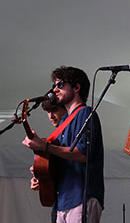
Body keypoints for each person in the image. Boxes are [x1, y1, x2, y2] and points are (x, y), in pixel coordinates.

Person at [23, 66, 104, 223]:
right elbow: (60, 159)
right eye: (54, 85)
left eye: (60, 85)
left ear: (76, 87)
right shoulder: (64, 121)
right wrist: (42, 174)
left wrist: (44, 147)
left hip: (81, 196)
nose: (55, 89)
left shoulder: (85, 113)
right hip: (61, 199)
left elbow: (83, 154)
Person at [29, 100, 67, 223]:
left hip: (72, 201)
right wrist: (42, 178)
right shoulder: (55, 139)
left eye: (54, 110)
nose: (51, 116)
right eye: (48, 112)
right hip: (58, 203)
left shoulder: (68, 137)